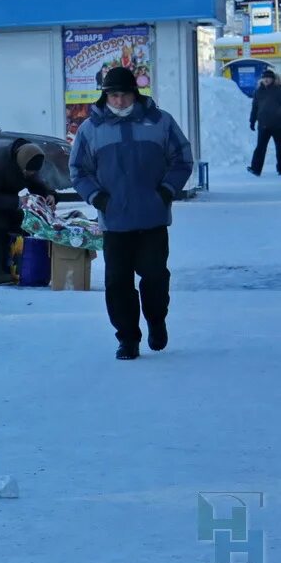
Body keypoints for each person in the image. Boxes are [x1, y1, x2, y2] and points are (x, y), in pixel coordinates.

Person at [69, 66, 193, 360]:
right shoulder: (91, 129)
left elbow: (182, 158)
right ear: (106, 96)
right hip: (114, 221)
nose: (120, 101)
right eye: (113, 95)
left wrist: (166, 191)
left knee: (154, 277)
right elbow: (78, 170)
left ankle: (156, 320)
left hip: (152, 218)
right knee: (117, 283)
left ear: (134, 94)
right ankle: (127, 339)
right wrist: (97, 197)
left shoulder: (160, 122)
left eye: (124, 94)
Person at [0, 141, 57, 285]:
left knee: (16, 219)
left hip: (4, 189)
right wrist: (18, 201)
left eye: (34, 172)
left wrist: (49, 195)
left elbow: (37, 183)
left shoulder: (28, 160)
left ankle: (13, 263)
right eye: (29, 171)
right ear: (21, 164)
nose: (31, 174)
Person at [247, 67, 281, 176]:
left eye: (268, 78)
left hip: (278, 125)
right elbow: (255, 107)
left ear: (273, 79)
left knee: (280, 147)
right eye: (264, 78)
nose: (266, 80)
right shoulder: (258, 91)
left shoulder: (279, 90)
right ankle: (255, 169)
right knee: (260, 148)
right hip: (263, 125)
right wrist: (252, 121)